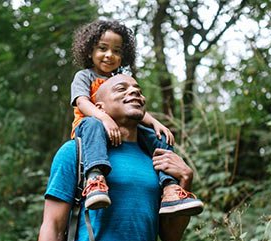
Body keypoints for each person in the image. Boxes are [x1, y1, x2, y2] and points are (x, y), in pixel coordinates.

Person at [37, 74, 201, 241]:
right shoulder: (76, 152)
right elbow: (52, 228)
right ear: (100, 107)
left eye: (138, 89)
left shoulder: (158, 161)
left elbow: (171, 237)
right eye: (121, 89)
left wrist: (184, 180)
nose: (134, 92)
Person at [70, 19, 203, 215]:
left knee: (159, 138)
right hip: (90, 129)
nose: (109, 55)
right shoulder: (84, 76)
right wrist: (104, 118)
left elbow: (134, 109)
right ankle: (95, 179)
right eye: (103, 48)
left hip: (121, 130)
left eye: (116, 51)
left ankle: (170, 188)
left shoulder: (120, 80)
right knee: (92, 123)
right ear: (89, 51)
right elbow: (82, 102)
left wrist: (155, 123)